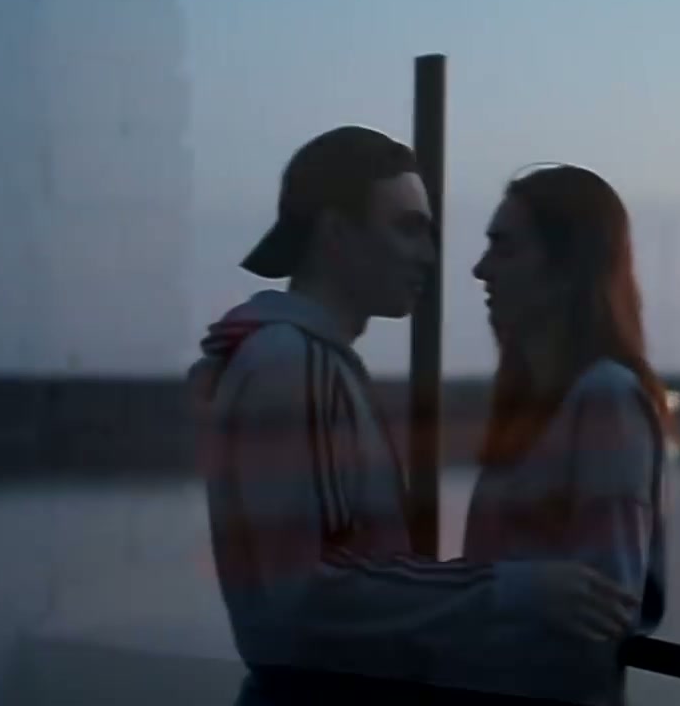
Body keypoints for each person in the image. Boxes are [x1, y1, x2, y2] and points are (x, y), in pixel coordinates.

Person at [187, 128, 639, 704]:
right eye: (407, 228)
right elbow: (306, 593)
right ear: (336, 234)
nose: (428, 254)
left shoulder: (301, 361)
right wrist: (518, 590)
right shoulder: (293, 364)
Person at [463, 164, 676, 704]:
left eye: (504, 247)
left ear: (566, 267)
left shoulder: (605, 398)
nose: (480, 269)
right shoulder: (528, 405)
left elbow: (604, 611)